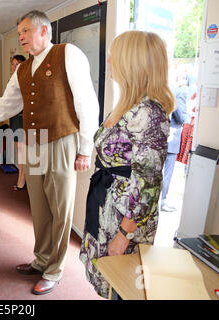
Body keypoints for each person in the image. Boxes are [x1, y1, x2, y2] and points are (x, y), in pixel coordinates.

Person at [0, 10, 99, 295]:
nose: (21, 38)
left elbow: (87, 101)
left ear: (44, 31)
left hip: (64, 140)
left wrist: (85, 148)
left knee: (60, 208)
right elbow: (6, 104)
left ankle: (54, 269)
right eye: (19, 34)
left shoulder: (68, 54)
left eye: (26, 31)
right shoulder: (24, 69)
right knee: (39, 206)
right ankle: (41, 259)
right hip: (34, 142)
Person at [79, 30, 175, 299]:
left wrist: (123, 235)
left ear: (132, 63)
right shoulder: (127, 104)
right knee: (111, 285)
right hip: (108, 206)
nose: (109, 61)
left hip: (125, 221)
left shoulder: (150, 113)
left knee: (123, 288)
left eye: (115, 56)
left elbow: (147, 186)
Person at [161, 68, 190, 212]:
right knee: (168, 171)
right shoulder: (181, 91)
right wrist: (187, 118)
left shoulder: (166, 89)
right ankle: (162, 201)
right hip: (172, 136)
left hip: (161, 137)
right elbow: (180, 115)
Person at [8, 54, 27, 191]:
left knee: (22, 153)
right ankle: (21, 179)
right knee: (19, 152)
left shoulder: (25, 79)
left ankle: (22, 181)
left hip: (22, 119)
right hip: (14, 118)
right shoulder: (13, 80)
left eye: (18, 64)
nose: (14, 67)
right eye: (13, 64)